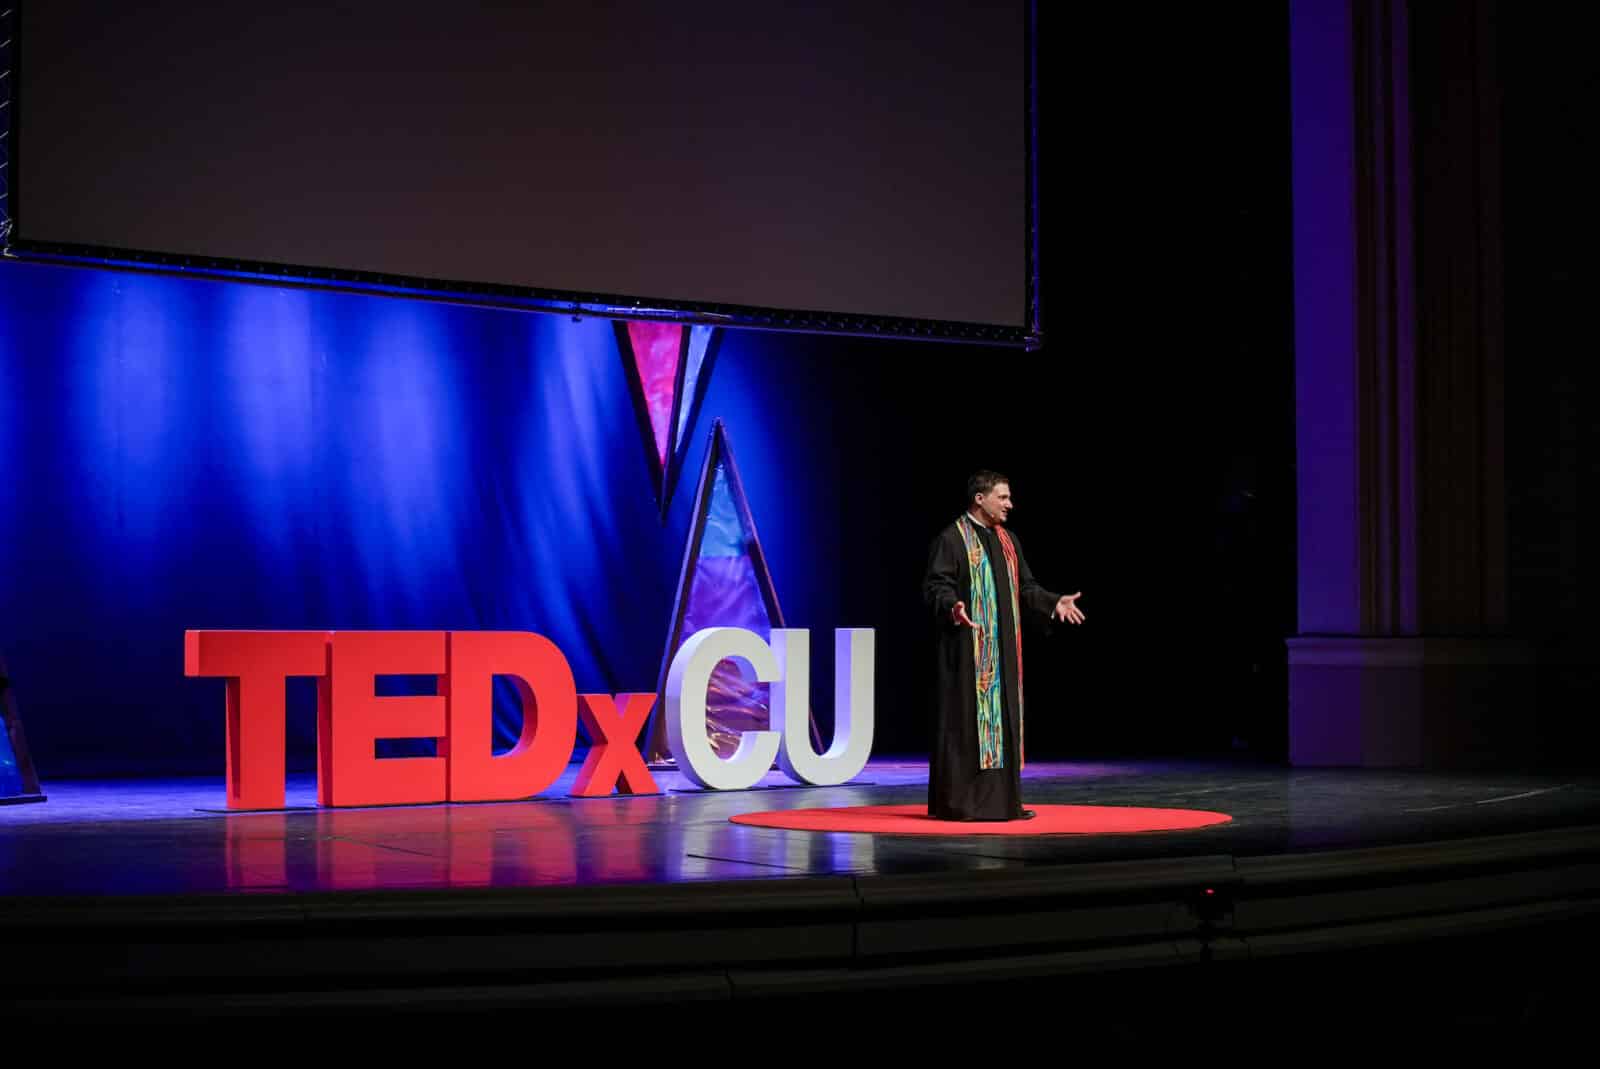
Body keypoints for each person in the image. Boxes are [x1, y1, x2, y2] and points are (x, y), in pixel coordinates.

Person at [921, 471, 1085, 821]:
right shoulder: (952, 539)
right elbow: (937, 585)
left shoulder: (1008, 541)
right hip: (967, 652)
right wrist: (954, 607)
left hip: (1003, 650)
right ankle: (962, 805)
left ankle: (1003, 804)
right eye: (1003, 497)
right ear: (980, 499)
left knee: (1004, 721)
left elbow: (1026, 588)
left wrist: (1053, 602)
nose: (1010, 504)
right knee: (967, 724)